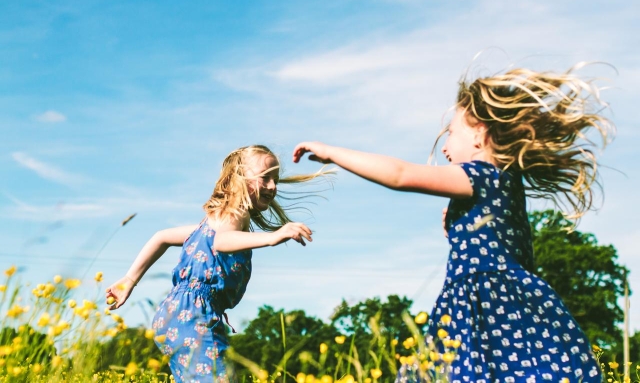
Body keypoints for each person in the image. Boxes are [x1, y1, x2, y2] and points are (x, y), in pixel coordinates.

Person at [292, 66, 611, 382]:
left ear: (480, 133)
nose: (444, 146)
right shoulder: (508, 182)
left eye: (452, 132)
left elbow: (400, 175)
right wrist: (459, 223)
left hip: (485, 306)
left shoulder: (481, 175)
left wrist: (332, 153)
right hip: (508, 304)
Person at [106, 145, 329, 383]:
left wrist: (130, 279)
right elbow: (223, 241)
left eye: (276, 180)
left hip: (175, 314)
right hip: (194, 313)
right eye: (265, 178)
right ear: (239, 178)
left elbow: (160, 237)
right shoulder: (236, 213)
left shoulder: (210, 224)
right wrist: (272, 237)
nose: (273, 187)